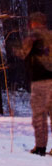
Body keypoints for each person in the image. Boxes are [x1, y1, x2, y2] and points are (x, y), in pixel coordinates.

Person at [18, 12, 52, 156]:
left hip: (39, 82)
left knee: (39, 116)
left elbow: (23, 54)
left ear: (32, 23)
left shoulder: (30, 39)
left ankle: (40, 147)